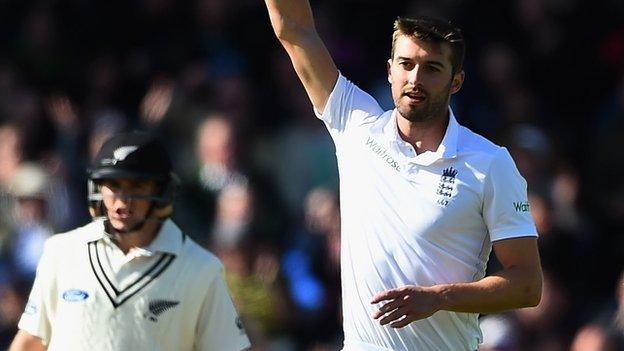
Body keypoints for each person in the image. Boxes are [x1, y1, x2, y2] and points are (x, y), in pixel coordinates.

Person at [264, 1, 543, 350]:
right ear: (389, 71)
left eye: (432, 69)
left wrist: (439, 298)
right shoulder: (355, 125)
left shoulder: (490, 163)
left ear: (456, 81)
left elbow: (528, 285)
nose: (415, 79)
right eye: (406, 65)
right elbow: (293, 28)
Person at [9, 131, 251, 351]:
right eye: (112, 185)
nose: (121, 201)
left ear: (162, 191)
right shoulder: (61, 252)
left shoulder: (201, 269)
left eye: (136, 186)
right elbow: (30, 342)